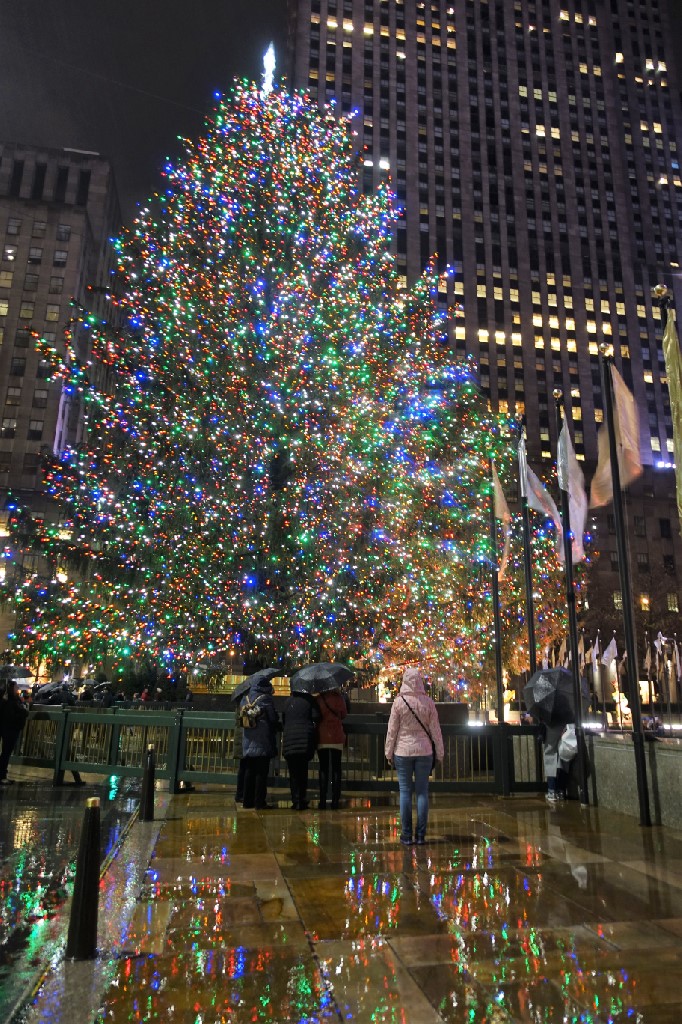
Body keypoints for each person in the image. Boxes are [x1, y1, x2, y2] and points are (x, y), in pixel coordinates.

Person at [384, 667, 444, 845]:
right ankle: (420, 835)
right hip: (424, 751)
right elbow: (436, 731)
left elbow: (392, 730)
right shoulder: (428, 703)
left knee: (405, 792)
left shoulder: (399, 702)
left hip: (402, 751)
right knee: (422, 793)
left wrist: (388, 752)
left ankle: (406, 835)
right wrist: (439, 752)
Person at [240, 675, 279, 809]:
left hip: (248, 738)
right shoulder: (265, 699)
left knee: (249, 770)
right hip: (263, 740)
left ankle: (247, 801)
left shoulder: (245, 699)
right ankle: (259, 802)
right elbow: (273, 718)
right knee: (261, 772)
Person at [282, 691, 320, 810]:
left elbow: (283, 719)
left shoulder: (287, 702)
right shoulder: (309, 700)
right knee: (303, 772)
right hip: (304, 740)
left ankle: (295, 799)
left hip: (290, 740)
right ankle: (302, 799)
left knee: (293, 773)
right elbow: (316, 716)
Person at [315, 688, 348, 809]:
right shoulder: (339, 698)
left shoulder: (319, 699)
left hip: (322, 736)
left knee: (323, 768)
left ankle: (322, 800)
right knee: (336, 769)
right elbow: (344, 714)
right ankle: (335, 800)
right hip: (336, 736)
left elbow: (315, 715)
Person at [0, 679, 29, 785]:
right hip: (10, 729)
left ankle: (3, 774)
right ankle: (2, 775)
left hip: (9, 728)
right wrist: (24, 712)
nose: (17, 689)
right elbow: (11, 716)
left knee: (6, 753)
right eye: (16, 687)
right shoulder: (9, 701)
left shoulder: (10, 699)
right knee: (6, 753)